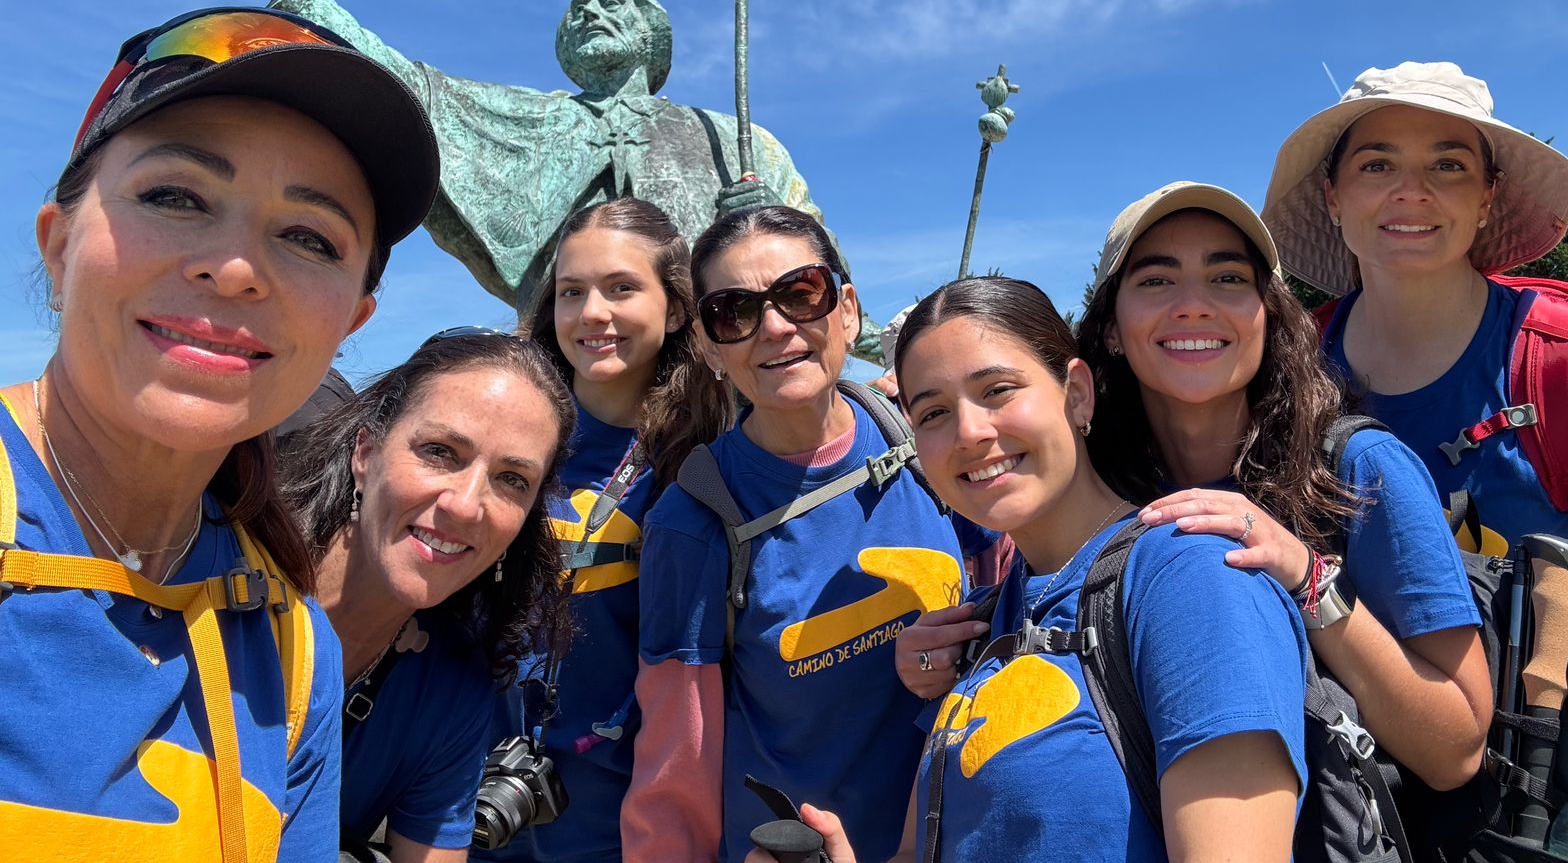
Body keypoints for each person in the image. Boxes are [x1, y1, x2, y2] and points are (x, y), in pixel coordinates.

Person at [0, 7, 439, 861]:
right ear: (59, 243)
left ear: (350, 322)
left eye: (309, 237)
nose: (235, 269)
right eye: (175, 196)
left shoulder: (290, 647)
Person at [753, 274, 1310, 863]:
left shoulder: (1191, 579)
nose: (969, 432)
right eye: (934, 412)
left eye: (997, 390)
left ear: (1078, 394)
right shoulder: (985, 621)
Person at [204, 0, 884, 358]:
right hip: (568, 369)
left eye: (612, 4)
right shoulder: (532, 120)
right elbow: (415, 89)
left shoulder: (734, 139)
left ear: (652, 37)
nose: (591, 13)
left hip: (711, 383)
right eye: (579, 8)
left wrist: (766, 228)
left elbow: (817, 264)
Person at [1070, 182, 1489, 794]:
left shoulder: (1361, 468)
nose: (1193, 306)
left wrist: (1307, 578)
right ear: (1111, 327)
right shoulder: (1091, 484)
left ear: (1268, 315)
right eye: (1157, 280)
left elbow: (1459, 749)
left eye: (1229, 278)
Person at [624, 206, 996, 863]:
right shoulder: (693, 521)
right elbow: (675, 772)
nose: (774, 327)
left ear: (846, 310)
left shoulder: (928, 439)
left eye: (800, 293)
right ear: (708, 346)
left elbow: (1017, 602)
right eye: (734, 312)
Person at [472, 197, 732, 863]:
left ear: (675, 309)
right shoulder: (500, 432)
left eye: (621, 288)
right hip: (473, 790)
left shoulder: (710, 456)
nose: (592, 312)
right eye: (572, 291)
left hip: (622, 813)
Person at [1263, 61, 1568, 556]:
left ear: (1486, 198)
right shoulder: (1288, 364)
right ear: (1333, 197)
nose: (1412, 191)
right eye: (1377, 165)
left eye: (1448, 165)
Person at [278, 330, 575, 862]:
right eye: (440, 452)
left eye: (512, 479)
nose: (465, 505)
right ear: (365, 452)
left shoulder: (451, 688)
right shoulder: (220, 588)